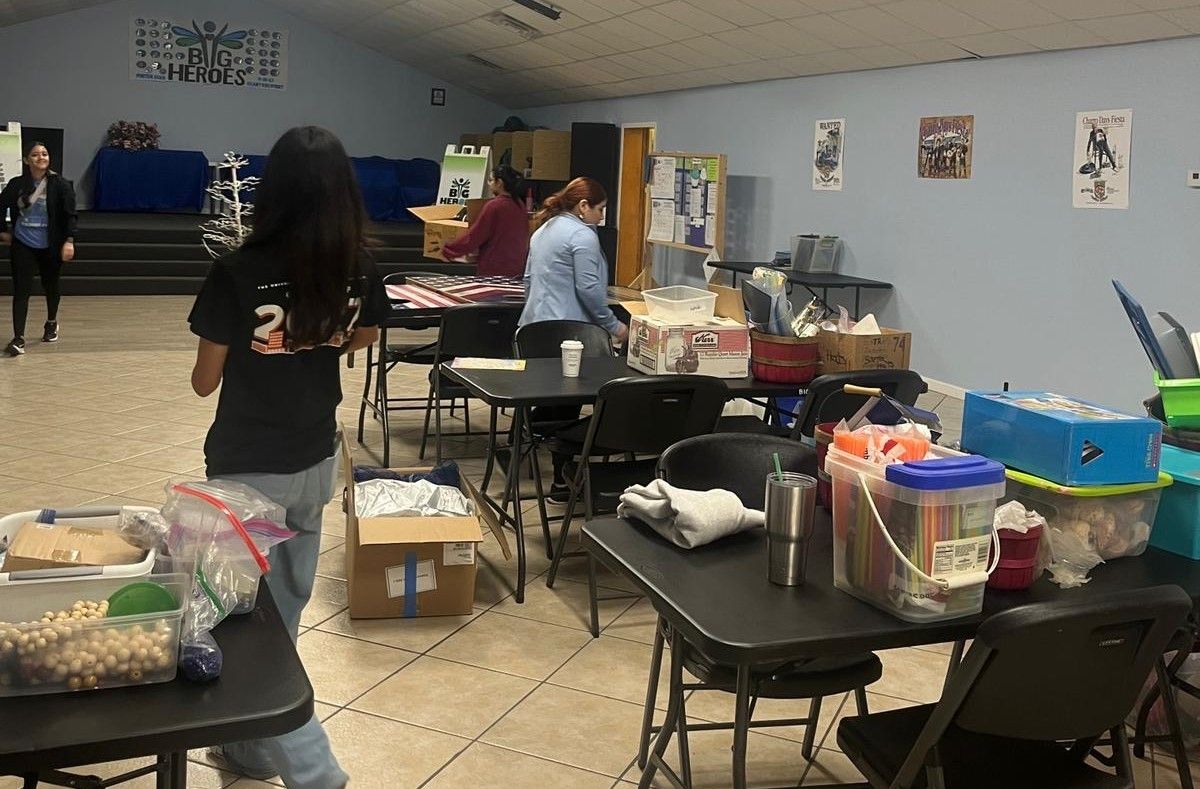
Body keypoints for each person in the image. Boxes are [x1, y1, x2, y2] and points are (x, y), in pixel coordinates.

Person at [188, 126, 387, 789]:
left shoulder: (239, 270)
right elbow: (360, 336)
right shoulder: (358, 266)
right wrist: (312, 338)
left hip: (250, 468)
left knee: (248, 634)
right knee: (285, 612)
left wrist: (269, 341)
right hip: (314, 461)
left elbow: (204, 380)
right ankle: (245, 753)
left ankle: (318, 774)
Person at [518, 177, 627, 502]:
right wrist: (614, 326)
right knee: (568, 406)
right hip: (572, 333)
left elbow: (527, 281)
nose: (602, 216)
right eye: (600, 209)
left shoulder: (543, 230)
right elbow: (589, 291)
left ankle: (520, 443)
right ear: (583, 207)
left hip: (535, 329)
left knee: (550, 402)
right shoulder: (582, 235)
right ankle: (562, 481)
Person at [0, 141, 77, 356]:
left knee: (50, 286)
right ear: (26, 160)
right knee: (21, 290)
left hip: (51, 246)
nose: (40, 157)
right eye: (35, 155)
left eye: (44, 153)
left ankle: (51, 322)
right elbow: (1, 204)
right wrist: (2, 230)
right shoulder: (17, 184)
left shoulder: (60, 185)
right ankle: (18, 338)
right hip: (23, 244)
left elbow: (70, 215)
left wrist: (69, 240)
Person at [440, 164, 530, 277]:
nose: (489, 184)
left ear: (500, 183)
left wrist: (449, 250)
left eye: (491, 180)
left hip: (495, 268)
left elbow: (475, 235)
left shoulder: (494, 206)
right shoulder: (520, 205)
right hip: (517, 267)